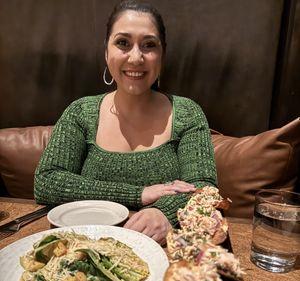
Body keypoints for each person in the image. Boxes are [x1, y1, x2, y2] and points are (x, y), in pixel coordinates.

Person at [34, 0, 217, 244]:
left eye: (149, 45)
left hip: (158, 250)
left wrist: (164, 212)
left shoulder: (187, 113)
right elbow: (46, 181)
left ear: (162, 55)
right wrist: (138, 194)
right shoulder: (81, 112)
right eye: (123, 43)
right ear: (106, 51)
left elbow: (204, 188)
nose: (136, 57)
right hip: (83, 246)